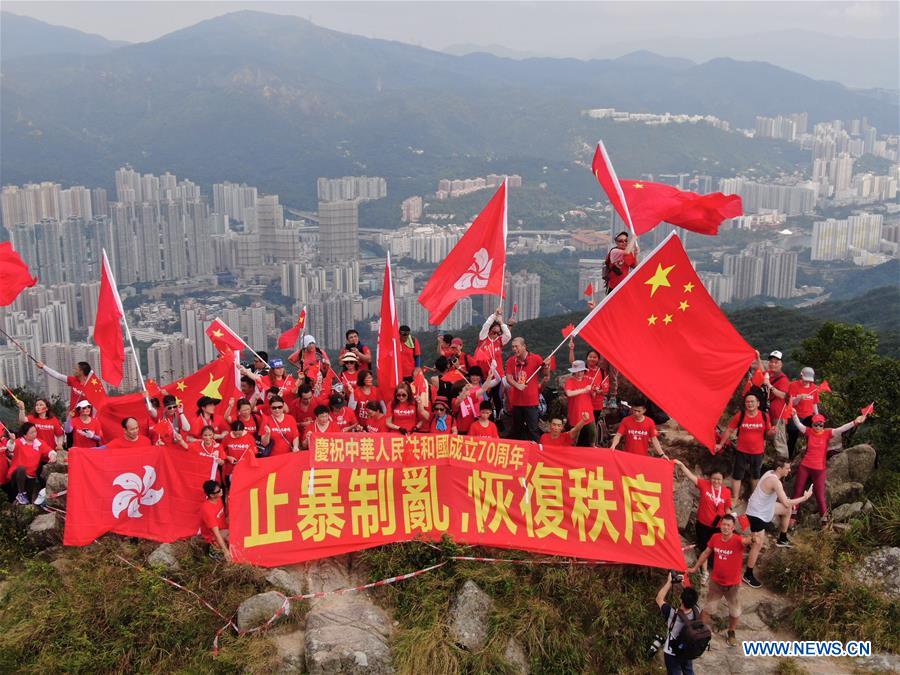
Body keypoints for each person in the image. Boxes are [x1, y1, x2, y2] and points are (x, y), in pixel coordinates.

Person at [742, 459, 814, 588]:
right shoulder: (775, 481)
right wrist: (805, 497)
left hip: (764, 507)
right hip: (756, 513)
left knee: (787, 510)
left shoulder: (771, 472)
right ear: (779, 469)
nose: (789, 470)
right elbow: (786, 501)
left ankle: (782, 538)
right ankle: (748, 574)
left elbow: (785, 504)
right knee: (758, 544)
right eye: (787, 468)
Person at [790, 410, 867, 524]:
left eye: (820, 424)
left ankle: (824, 522)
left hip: (819, 469)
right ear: (812, 424)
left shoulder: (827, 433)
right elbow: (798, 424)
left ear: (823, 424)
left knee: (820, 496)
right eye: (816, 424)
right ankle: (792, 517)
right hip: (805, 466)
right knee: (797, 491)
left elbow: (841, 429)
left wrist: (855, 422)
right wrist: (794, 414)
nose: (818, 427)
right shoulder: (808, 432)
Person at [688, 514, 749, 648]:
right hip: (716, 583)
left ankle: (731, 632)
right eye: (723, 524)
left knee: (735, 610)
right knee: (709, 608)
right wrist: (695, 568)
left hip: (733, 585)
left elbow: (747, 541)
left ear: (733, 528)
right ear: (720, 525)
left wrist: (754, 537)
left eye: (728, 525)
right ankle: (701, 632)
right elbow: (706, 553)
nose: (725, 527)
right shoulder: (715, 537)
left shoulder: (738, 540)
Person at [673, 461, 733, 584]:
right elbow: (690, 476)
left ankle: (720, 571)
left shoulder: (726, 492)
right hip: (703, 525)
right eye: (714, 479)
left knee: (718, 548)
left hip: (718, 527)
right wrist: (681, 465)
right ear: (710, 478)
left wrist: (730, 519)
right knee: (704, 548)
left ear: (723, 479)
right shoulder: (704, 485)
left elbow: (727, 508)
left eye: (719, 479)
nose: (716, 481)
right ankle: (705, 572)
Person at [717, 393, 772, 503]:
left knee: (755, 476)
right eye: (747, 402)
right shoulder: (740, 415)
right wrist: (721, 444)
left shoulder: (764, 416)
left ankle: (754, 497)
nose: (750, 404)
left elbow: (768, 432)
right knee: (737, 475)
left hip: (758, 452)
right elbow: (729, 430)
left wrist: (772, 432)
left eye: (752, 401)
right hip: (742, 451)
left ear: (758, 403)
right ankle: (735, 497)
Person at [655, 572, 702, 674]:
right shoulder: (697, 610)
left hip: (672, 653)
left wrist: (669, 582)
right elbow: (691, 598)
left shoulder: (672, 614)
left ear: (681, 599)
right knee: (688, 671)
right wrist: (683, 584)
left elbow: (659, 599)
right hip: (688, 649)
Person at [506, 337, 546, 442]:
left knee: (533, 429)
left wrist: (547, 366)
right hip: (516, 401)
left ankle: (536, 449)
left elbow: (545, 374)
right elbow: (508, 378)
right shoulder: (511, 361)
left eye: (516, 346)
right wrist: (517, 385)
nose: (514, 349)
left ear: (524, 346)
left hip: (531, 402)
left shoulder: (536, 358)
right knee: (517, 429)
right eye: (513, 347)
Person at [8, 422, 57, 504]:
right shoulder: (19, 442)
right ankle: (20, 494)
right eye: (32, 432)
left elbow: (50, 451)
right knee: (21, 469)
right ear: (25, 435)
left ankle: (24, 499)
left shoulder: (39, 443)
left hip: (31, 476)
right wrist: (12, 441)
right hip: (17, 476)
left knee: (28, 499)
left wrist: (52, 456)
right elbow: (10, 448)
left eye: (35, 431)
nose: (35, 434)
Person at [34, 359, 104, 415]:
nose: (74, 370)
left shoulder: (92, 386)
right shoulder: (73, 380)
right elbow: (57, 375)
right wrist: (43, 367)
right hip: (73, 416)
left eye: (76, 369)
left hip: (86, 419)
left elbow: (97, 404)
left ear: (81, 371)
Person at [786, 366, 820, 458]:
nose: (807, 382)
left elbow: (814, 403)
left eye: (809, 380)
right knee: (792, 438)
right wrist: (799, 397)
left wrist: (817, 417)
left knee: (811, 437)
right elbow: (791, 403)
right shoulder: (793, 385)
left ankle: (810, 455)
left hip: (808, 416)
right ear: (801, 376)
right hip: (795, 415)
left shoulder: (814, 388)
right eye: (805, 380)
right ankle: (789, 458)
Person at [563, 360, 597, 446]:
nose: (579, 373)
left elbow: (593, 396)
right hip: (575, 413)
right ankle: (571, 449)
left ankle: (593, 447)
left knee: (592, 433)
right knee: (574, 437)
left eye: (581, 371)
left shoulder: (588, 380)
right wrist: (584, 390)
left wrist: (594, 391)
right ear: (574, 371)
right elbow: (569, 393)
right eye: (577, 371)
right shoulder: (569, 381)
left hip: (588, 412)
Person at [200, 480, 230, 562]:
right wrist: (225, 551)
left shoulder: (218, 498)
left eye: (220, 488)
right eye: (218, 491)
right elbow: (216, 533)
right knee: (232, 537)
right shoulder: (207, 509)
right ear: (212, 495)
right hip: (213, 536)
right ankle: (214, 549)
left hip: (223, 529)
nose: (221, 491)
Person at [221, 420, 255, 486]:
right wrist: (228, 457)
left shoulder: (249, 438)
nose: (237, 436)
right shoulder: (227, 438)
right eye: (235, 434)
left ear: (243, 431)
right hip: (230, 470)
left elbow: (254, 452)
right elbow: (220, 451)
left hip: (245, 469)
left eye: (239, 434)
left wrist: (246, 459)